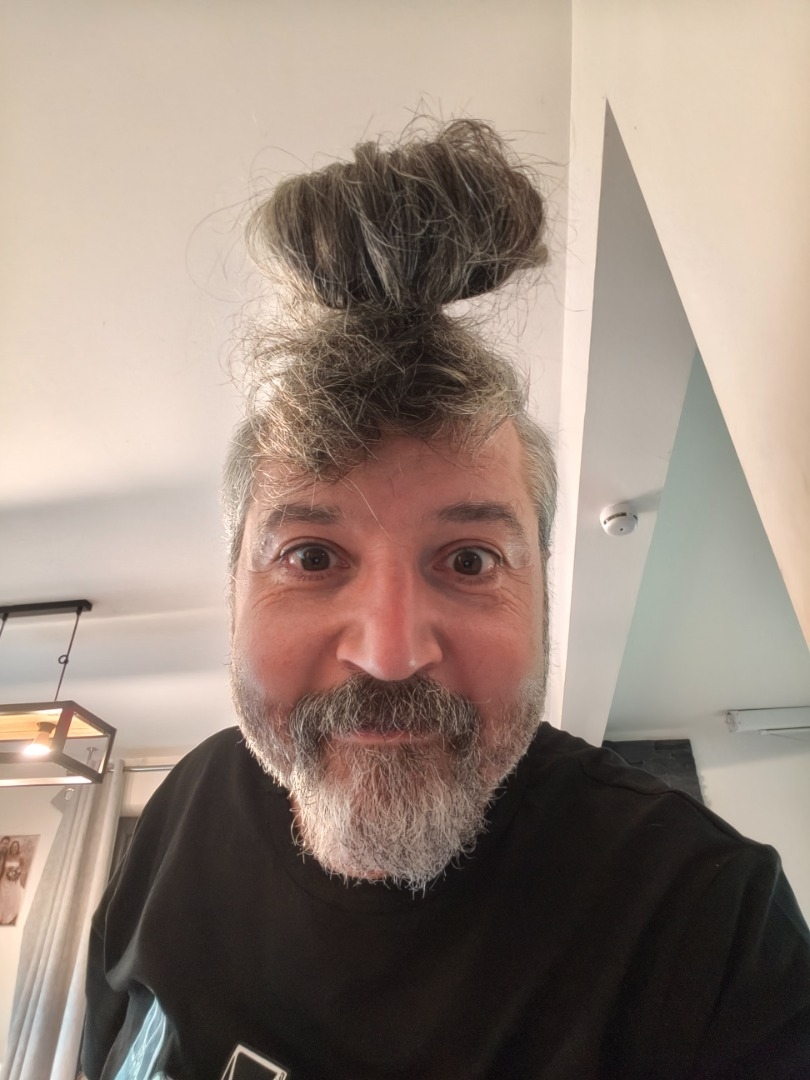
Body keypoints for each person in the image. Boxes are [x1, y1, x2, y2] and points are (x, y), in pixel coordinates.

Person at [83, 120, 810, 1080]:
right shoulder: (182, 811)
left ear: (543, 594)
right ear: (232, 594)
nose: (390, 653)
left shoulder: (706, 924)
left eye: (469, 560)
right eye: (311, 555)